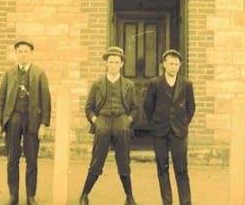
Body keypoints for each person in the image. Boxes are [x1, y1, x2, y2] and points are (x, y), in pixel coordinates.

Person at [0, 39, 52, 205]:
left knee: (32, 159)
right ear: (16, 53)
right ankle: (13, 195)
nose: (23, 54)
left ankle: (31, 196)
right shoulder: (9, 73)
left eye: (26, 51)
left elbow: (46, 100)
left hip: (32, 120)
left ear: (31, 53)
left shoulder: (39, 73)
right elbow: (1, 98)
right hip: (13, 119)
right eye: (20, 51)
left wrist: (43, 125)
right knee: (12, 159)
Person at [79, 46, 140, 205]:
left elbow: (135, 108)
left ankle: (129, 197)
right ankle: (84, 195)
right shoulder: (97, 84)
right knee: (97, 160)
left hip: (122, 122)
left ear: (121, 64)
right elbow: (89, 107)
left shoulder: (128, 85)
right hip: (103, 122)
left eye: (116, 62)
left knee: (124, 161)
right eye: (111, 62)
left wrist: (128, 120)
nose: (113, 65)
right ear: (106, 63)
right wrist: (95, 120)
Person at [143, 49, 196, 205]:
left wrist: (183, 123)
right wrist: (155, 124)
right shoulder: (155, 83)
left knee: (181, 169)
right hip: (160, 132)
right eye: (170, 63)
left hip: (179, 132)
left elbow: (191, 106)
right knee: (162, 168)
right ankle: (167, 201)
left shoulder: (186, 84)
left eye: (176, 64)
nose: (173, 67)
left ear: (180, 66)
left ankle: (185, 202)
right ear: (164, 65)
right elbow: (148, 106)